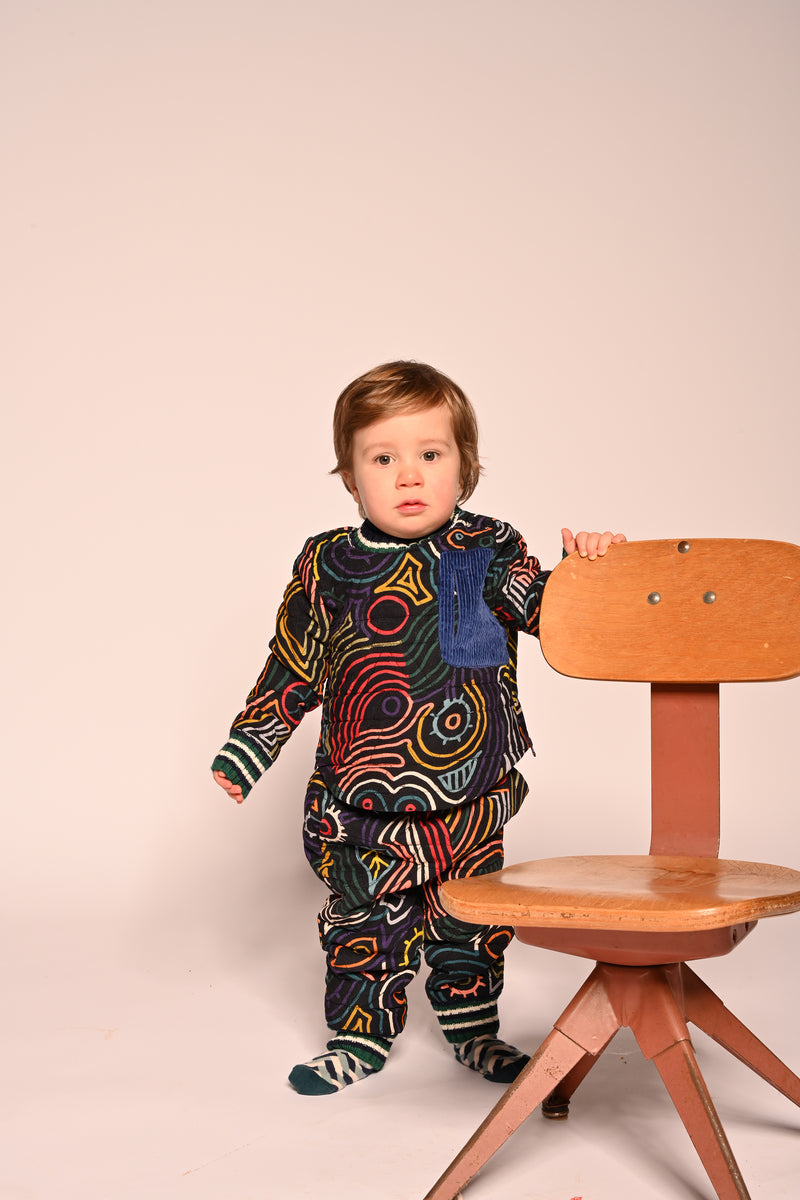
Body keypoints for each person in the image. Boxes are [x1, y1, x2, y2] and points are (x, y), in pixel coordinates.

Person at [212, 361, 625, 1096]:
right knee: (362, 925)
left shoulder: (488, 549)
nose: (409, 475)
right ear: (350, 478)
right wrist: (250, 744)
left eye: (430, 454)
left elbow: (551, 617)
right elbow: (294, 662)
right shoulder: (330, 564)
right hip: (360, 804)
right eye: (383, 459)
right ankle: (359, 1037)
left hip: (470, 799)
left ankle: (474, 1031)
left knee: (473, 924)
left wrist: (585, 571)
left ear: (465, 467)